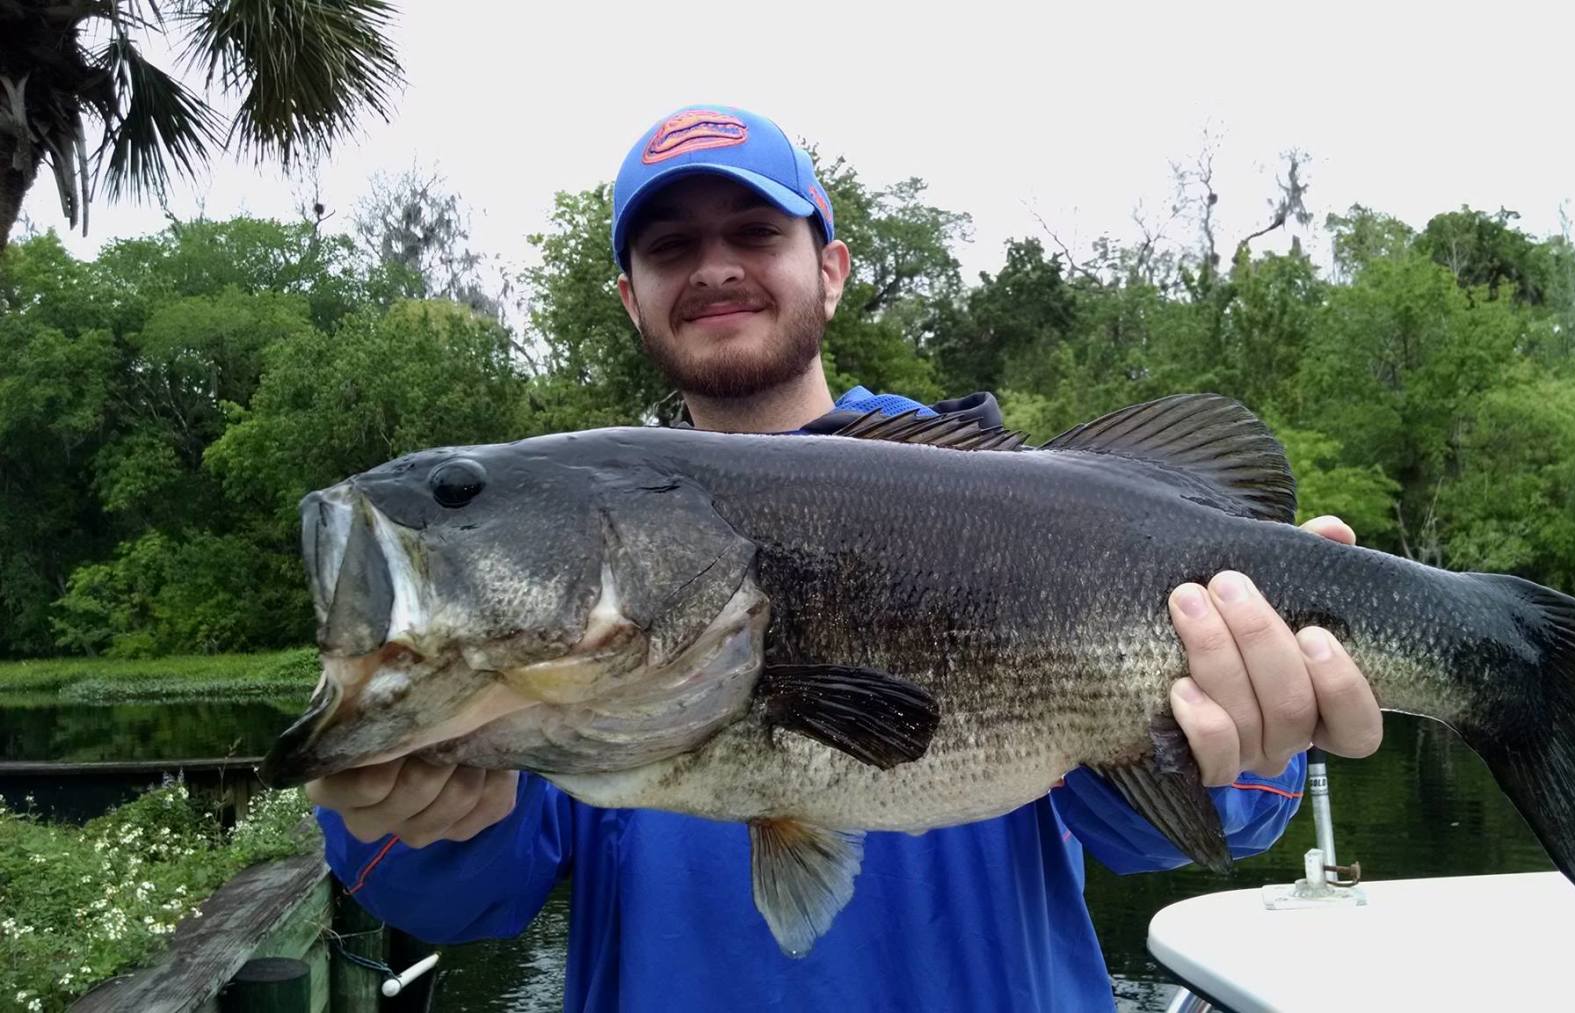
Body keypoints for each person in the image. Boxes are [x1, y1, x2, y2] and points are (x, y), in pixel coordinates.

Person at [307, 104, 1384, 1011]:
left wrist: (1250, 745)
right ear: (630, 295)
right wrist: (417, 819)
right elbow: (463, 899)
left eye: (753, 231)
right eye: (670, 247)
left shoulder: (1006, 491)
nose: (715, 266)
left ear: (829, 269)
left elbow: (1177, 825)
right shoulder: (555, 642)